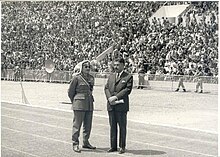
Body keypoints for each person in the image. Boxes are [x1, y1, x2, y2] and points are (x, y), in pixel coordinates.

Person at [104, 57, 133, 154]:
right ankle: (113, 146)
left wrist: (115, 97)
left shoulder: (128, 77)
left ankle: (122, 146)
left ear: (123, 65)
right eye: (114, 65)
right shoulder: (111, 76)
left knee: (122, 127)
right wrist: (109, 98)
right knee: (112, 126)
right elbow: (106, 88)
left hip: (121, 106)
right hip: (111, 105)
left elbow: (127, 90)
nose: (115, 67)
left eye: (118, 65)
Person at [68, 60, 96, 153]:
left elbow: (91, 90)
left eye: (89, 67)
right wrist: (75, 101)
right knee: (77, 124)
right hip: (79, 103)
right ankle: (75, 143)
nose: (88, 68)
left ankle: (86, 142)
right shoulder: (77, 78)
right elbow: (70, 91)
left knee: (88, 125)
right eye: (86, 67)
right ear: (81, 68)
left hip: (89, 103)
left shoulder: (91, 78)